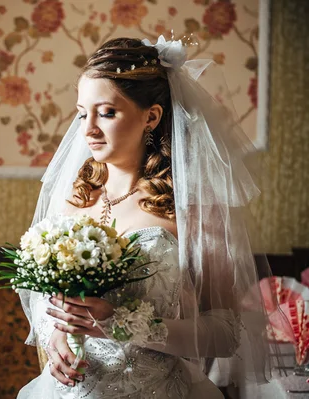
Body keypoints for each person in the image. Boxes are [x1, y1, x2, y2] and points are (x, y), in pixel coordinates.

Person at [17, 36, 279, 399]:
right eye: (82, 113)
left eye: (106, 112)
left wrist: (121, 325)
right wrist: (58, 336)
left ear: (150, 116)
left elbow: (224, 333)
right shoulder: (75, 198)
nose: (88, 128)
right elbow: (46, 300)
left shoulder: (193, 211)